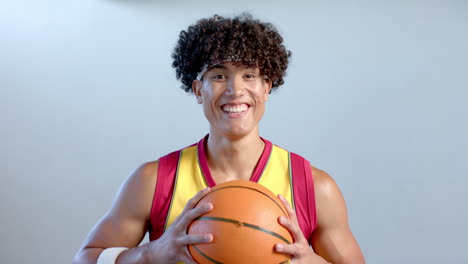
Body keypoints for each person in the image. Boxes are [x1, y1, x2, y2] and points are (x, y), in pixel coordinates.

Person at [73, 13, 365, 264]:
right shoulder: (154, 180)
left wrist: (311, 261)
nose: (235, 90)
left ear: (267, 87)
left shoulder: (314, 188)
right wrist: (151, 254)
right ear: (198, 90)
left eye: (249, 75)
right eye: (219, 75)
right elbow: (86, 257)